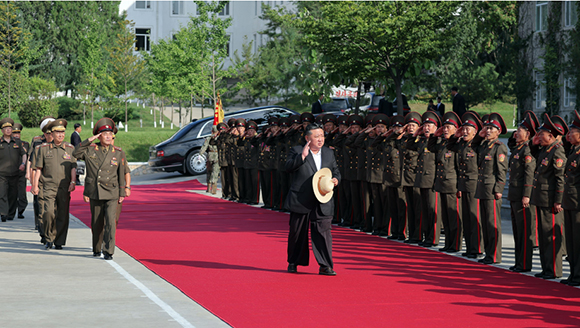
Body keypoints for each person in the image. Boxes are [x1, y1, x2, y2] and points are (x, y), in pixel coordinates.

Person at [285, 123, 340, 275]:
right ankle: (293, 262)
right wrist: (302, 156)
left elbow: (336, 171)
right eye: (316, 136)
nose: (320, 139)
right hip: (301, 198)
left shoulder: (329, 153)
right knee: (297, 233)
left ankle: (325, 265)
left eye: (322, 136)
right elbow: (287, 167)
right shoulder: (296, 150)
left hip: (323, 198)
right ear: (307, 138)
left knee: (323, 233)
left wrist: (336, 180)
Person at [73, 118, 127, 260]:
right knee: (97, 222)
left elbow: (121, 173)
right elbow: (75, 153)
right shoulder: (90, 149)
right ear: (99, 136)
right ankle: (97, 248)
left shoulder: (118, 152)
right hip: (95, 191)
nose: (109, 137)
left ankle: (108, 250)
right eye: (105, 134)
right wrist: (88, 140)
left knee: (110, 221)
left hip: (112, 192)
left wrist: (122, 192)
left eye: (111, 134)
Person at [530, 114, 566, 279]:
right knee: (544, 235)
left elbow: (560, 179)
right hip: (541, 198)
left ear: (551, 136)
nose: (538, 137)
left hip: (551, 200)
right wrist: (534, 144)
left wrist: (558, 200)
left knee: (551, 236)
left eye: (541, 135)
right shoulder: (545, 150)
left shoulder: (557, 152)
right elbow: (534, 158)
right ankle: (546, 268)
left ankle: (554, 270)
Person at [31, 119, 77, 250]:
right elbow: (38, 168)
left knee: (62, 214)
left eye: (62, 132)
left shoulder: (70, 148)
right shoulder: (44, 149)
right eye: (58, 132)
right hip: (48, 187)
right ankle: (48, 237)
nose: (61, 135)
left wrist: (73, 182)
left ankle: (59, 241)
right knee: (48, 213)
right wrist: (34, 185)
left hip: (64, 187)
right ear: (52, 133)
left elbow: (73, 167)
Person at [447, 111, 484, 258]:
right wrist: (455, 136)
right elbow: (450, 147)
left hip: (474, 184)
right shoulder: (461, 144)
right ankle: (470, 248)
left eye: (469, 129)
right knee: (467, 218)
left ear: (476, 132)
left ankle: (477, 249)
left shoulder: (478, 146)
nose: (465, 131)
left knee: (474, 217)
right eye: (464, 129)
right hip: (463, 184)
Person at [475, 113, 508, 265]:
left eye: (491, 129)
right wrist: (479, 134)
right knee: (485, 223)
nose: (488, 131)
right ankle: (488, 254)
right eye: (486, 128)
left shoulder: (499, 148)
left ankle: (495, 255)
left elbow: (501, 171)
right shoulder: (483, 145)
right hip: (482, 188)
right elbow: (473, 147)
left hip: (492, 190)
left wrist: (499, 189)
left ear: (498, 132)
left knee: (492, 223)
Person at [507, 111, 537, 273]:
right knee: (517, 230)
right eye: (517, 131)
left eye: (520, 131)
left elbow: (529, 174)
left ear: (528, 134)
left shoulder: (527, 151)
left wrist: (527, 194)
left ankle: (525, 263)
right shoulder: (518, 149)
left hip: (523, 197)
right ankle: (519, 262)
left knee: (525, 231)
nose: (516, 134)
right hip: (514, 195)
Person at [429, 111, 462, 253]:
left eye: (449, 127)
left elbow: (460, 167)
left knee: (453, 217)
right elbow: (431, 148)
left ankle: (455, 244)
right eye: (445, 127)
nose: (446, 130)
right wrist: (434, 135)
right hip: (442, 183)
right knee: (446, 218)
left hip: (452, 185)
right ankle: (448, 243)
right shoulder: (442, 143)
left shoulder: (457, 145)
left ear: (456, 130)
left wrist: (459, 187)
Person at [406, 111, 441, 247]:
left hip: (432, 180)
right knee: (425, 211)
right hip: (421, 180)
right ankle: (426, 236)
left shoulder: (437, 142)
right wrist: (415, 134)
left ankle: (433, 238)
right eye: (425, 125)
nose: (426, 128)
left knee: (432, 211)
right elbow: (410, 146)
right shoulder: (420, 141)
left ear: (436, 128)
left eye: (429, 125)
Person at [562, 110, 580, 286]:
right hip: (569, 201)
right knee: (571, 242)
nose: (568, 134)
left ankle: (578, 275)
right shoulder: (573, 151)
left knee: (577, 240)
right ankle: (573, 274)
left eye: (572, 132)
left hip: (578, 204)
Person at [0, 118, 26, 222]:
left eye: (10, 128)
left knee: (13, 194)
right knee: (2, 194)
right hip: (1, 174)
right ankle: (3, 213)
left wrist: (23, 163)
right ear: (2, 130)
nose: (8, 130)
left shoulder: (17, 142)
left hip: (15, 173)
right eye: (6, 128)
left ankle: (11, 213)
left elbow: (23, 154)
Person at [11, 123, 29, 219]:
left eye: (18, 133)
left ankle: (21, 210)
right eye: (14, 133)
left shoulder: (25, 144)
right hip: (9, 173)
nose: (16, 135)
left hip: (21, 173)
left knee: (22, 194)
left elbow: (29, 158)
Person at [200, 125, 221, 194]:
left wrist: (200, 153)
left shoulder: (211, 138)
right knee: (213, 172)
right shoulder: (211, 138)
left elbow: (204, 147)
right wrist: (200, 154)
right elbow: (204, 147)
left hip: (212, 157)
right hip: (214, 157)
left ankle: (211, 188)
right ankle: (211, 188)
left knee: (212, 172)